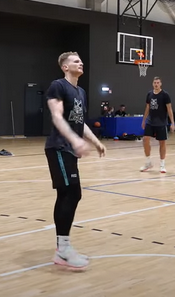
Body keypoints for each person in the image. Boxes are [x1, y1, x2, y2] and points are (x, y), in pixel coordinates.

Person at [45, 51, 106, 271]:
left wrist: (95, 142)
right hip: (59, 147)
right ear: (65, 66)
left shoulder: (81, 92)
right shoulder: (58, 86)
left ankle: (62, 248)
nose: (80, 63)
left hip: (69, 149)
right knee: (72, 193)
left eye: (81, 60)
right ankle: (63, 249)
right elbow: (57, 116)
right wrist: (74, 139)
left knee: (67, 194)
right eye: (75, 61)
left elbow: (80, 122)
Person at [140, 77, 175, 173]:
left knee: (162, 142)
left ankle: (162, 164)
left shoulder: (165, 95)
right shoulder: (149, 94)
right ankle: (148, 162)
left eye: (158, 83)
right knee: (145, 139)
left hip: (161, 122)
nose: (156, 84)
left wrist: (172, 122)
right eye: (155, 82)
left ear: (160, 84)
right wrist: (144, 120)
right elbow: (147, 108)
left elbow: (169, 109)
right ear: (152, 84)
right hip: (150, 121)